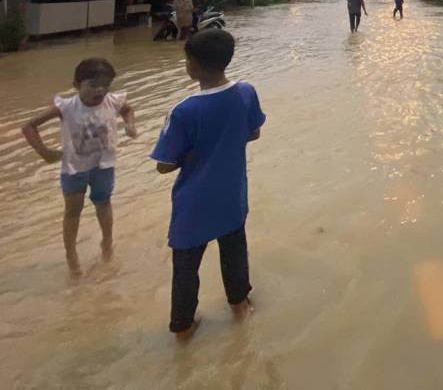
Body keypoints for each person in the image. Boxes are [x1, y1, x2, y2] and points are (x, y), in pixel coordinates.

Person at [151, 29, 265, 342]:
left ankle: (183, 326)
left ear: (194, 65)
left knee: (186, 264)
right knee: (234, 250)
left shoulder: (184, 111)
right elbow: (254, 133)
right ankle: (240, 306)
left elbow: (164, 165)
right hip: (231, 195)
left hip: (194, 203)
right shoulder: (246, 92)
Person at [21, 58, 137, 275]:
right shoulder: (66, 107)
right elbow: (28, 127)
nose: (100, 90)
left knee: (103, 204)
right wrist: (44, 152)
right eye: (93, 85)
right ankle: (71, 255)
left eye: (105, 84)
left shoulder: (112, 101)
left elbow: (127, 110)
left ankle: (107, 246)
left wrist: (129, 126)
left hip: (104, 166)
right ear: (77, 85)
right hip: (74, 169)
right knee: (73, 212)